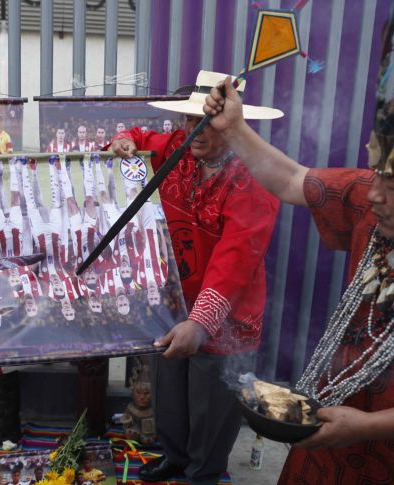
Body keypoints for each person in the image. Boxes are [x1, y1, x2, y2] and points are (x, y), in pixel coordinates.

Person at [204, 36, 394, 483]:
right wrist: (234, 129)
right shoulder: (367, 203)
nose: (374, 194)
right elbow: (291, 180)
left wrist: (370, 427)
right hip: (325, 446)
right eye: (377, 175)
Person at [109, 70, 281, 485]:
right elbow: (137, 137)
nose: (194, 130)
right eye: (188, 119)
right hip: (173, 302)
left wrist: (201, 321)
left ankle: (204, 472)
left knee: (212, 403)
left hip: (226, 312)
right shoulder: (178, 148)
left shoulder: (254, 177)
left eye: (206, 121)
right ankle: (175, 456)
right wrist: (122, 141)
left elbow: (236, 257)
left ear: (233, 123)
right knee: (169, 391)